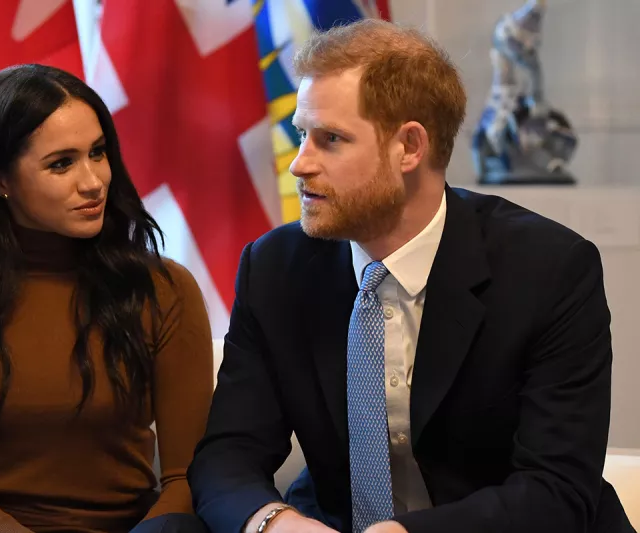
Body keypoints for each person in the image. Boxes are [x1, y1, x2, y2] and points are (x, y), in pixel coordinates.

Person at [187, 19, 634, 533]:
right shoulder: (275, 268)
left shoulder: (551, 270)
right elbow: (228, 454)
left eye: (330, 139)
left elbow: (555, 490)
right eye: (301, 135)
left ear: (410, 147)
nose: (300, 164)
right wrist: (274, 522)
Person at [0, 64, 213, 533]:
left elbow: (184, 476)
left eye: (98, 153)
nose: (93, 181)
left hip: (131, 529)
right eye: (61, 163)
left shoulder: (162, 287)